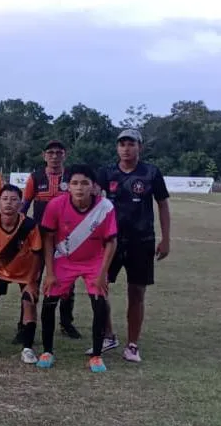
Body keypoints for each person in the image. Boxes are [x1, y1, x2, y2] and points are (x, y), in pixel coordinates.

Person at [93, 129, 171, 362]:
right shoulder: (106, 172)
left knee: (136, 292)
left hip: (142, 240)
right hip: (111, 240)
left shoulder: (151, 173)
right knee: (99, 288)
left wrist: (166, 239)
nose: (126, 148)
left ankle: (133, 344)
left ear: (140, 147)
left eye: (131, 144)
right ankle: (108, 335)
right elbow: (94, 202)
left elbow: (163, 205)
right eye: (122, 144)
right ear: (117, 148)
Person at [38, 165, 117, 373]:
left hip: (94, 260)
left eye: (84, 183)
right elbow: (47, 239)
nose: (79, 188)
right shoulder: (56, 205)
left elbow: (111, 242)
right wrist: (50, 273)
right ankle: (47, 351)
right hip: (64, 258)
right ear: (67, 186)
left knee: (100, 303)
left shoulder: (105, 207)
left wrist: (102, 274)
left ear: (94, 187)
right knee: (49, 302)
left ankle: (97, 355)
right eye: (74, 183)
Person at [0, 184, 42, 363]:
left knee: (29, 302)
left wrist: (32, 282)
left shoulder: (30, 225)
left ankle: (27, 349)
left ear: (20, 203)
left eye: (13, 199)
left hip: (25, 271)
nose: (9, 203)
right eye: (5, 199)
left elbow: (37, 254)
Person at [20, 140, 80, 341]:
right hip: (39, 237)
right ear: (44, 155)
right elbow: (24, 206)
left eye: (59, 152)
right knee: (32, 280)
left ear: (65, 155)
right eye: (51, 152)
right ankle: (24, 324)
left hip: (66, 239)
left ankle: (66, 322)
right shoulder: (35, 177)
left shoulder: (72, 177)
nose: (55, 156)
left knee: (67, 282)